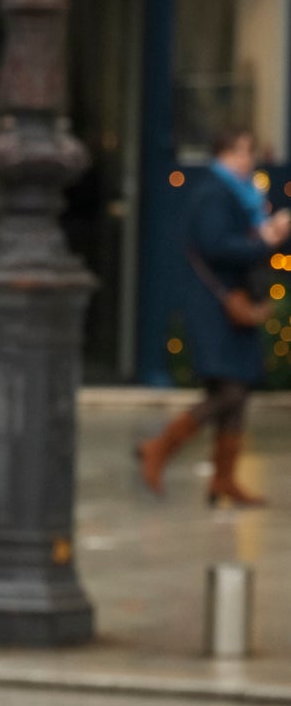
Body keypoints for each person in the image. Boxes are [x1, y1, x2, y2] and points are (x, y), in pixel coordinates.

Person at [138, 128, 291, 507]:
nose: (246, 159)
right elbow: (216, 245)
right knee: (230, 390)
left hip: (232, 305)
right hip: (215, 305)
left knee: (234, 394)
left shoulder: (244, 195)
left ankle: (223, 480)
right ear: (220, 154)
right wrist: (265, 240)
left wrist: (265, 235)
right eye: (238, 152)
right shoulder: (214, 193)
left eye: (249, 152)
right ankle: (159, 446)